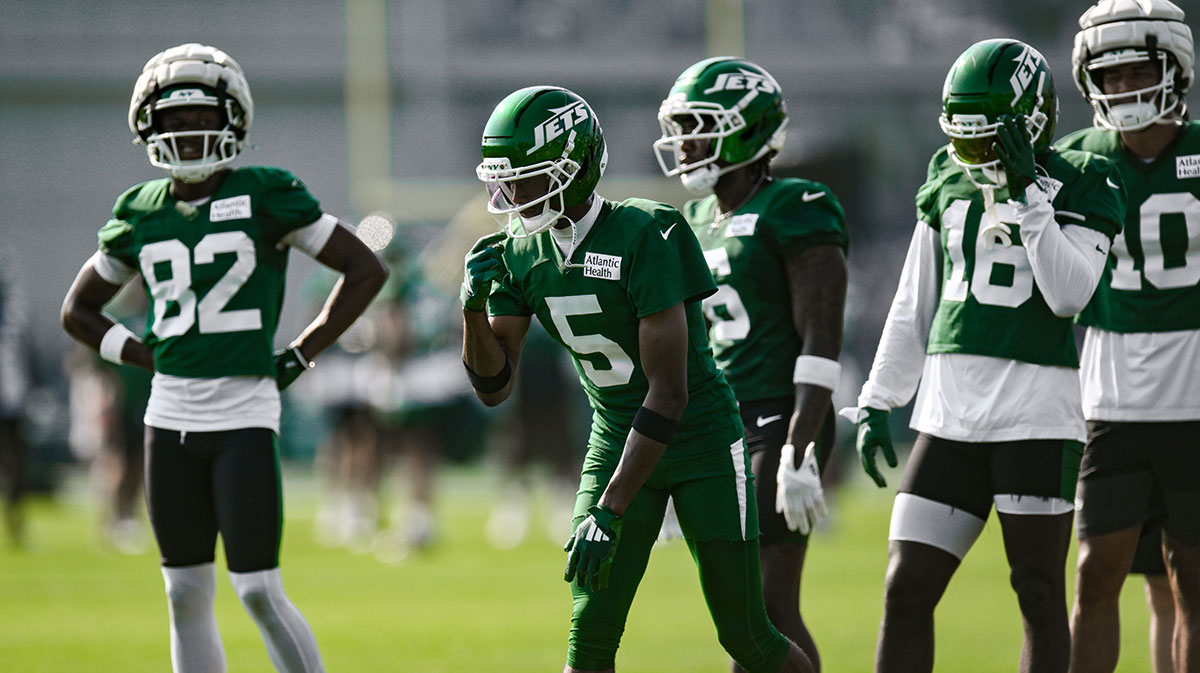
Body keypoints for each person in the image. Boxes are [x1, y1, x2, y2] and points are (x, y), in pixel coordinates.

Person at [462, 85, 815, 673]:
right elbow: (493, 388)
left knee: (746, 636)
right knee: (589, 634)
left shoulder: (648, 231)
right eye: (504, 179)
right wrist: (472, 307)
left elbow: (670, 391)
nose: (510, 196)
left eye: (526, 178)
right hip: (614, 434)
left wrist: (611, 507)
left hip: (699, 440)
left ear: (573, 168)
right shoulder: (520, 254)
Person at [60, 43, 388, 673]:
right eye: (172, 118)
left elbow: (363, 266)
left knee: (258, 589)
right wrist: (138, 353)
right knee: (183, 592)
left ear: (232, 117)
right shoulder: (139, 211)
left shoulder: (268, 193)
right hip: (168, 416)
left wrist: (302, 352)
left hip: (243, 412)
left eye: (200, 115)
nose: (187, 131)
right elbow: (78, 311)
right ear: (148, 127)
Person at [847, 38, 1124, 673]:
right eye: (962, 137)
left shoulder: (1084, 179)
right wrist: (878, 397)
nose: (971, 155)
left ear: (1031, 125)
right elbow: (913, 300)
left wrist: (1030, 198)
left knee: (1038, 594)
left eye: (986, 139)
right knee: (906, 585)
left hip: (1037, 420)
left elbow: (1068, 295)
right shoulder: (947, 176)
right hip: (948, 419)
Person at [653, 56, 848, 672]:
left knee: (763, 607)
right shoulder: (696, 220)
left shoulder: (797, 203)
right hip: (721, 423)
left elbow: (822, 335)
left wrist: (801, 442)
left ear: (746, 130)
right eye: (680, 128)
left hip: (781, 414)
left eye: (698, 126)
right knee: (749, 614)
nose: (685, 142)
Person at [1056, 2, 1200, 671]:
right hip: (1110, 406)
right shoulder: (1076, 160)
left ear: (1176, 69)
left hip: (1194, 407)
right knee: (1093, 576)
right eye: (1108, 77)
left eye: (1138, 71)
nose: (1123, 89)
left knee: (1191, 584)